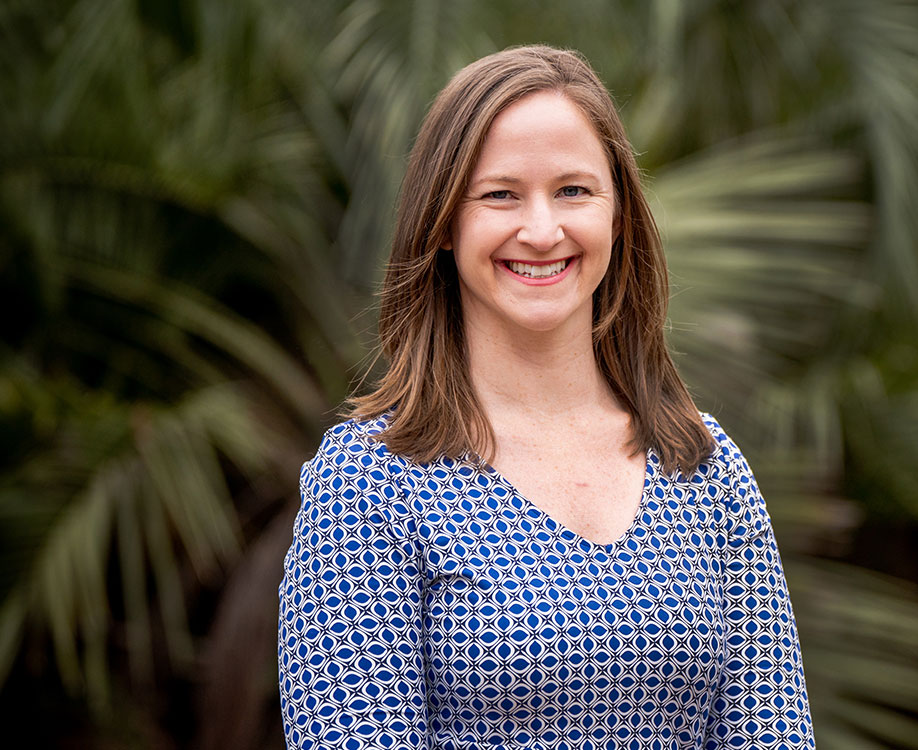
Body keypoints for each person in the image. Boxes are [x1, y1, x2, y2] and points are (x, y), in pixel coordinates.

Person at [277, 45, 814, 750]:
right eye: (500, 194)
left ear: (618, 216)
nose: (541, 229)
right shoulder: (370, 480)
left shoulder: (704, 469)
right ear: (443, 223)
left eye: (573, 191)